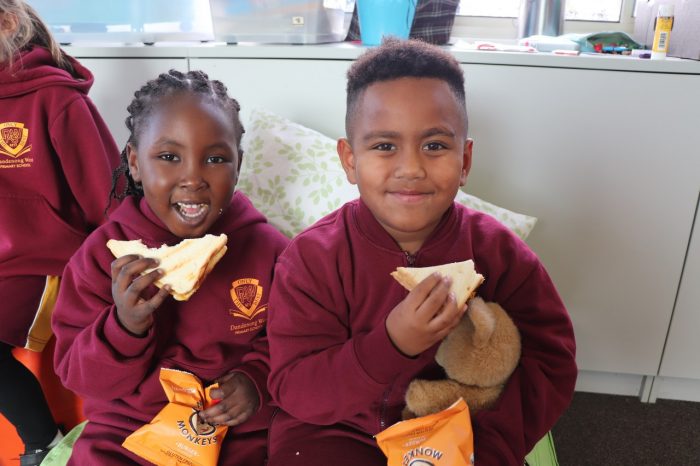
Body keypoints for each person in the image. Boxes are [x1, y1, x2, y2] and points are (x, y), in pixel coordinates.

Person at [266, 38, 577, 466]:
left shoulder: (500, 253)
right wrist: (392, 344)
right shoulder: (311, 260)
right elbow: (295, 388)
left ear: (465, 160)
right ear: (350, 159)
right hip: (332, 433)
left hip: (460, 430)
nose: (411, 168)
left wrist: (490, 446)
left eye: (434, 146)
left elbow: (550, 362)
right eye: (384, 146)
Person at [51, 69, 289, 465]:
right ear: (135, 163)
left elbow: (293, 343)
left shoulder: (269, 251)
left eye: (215, 158)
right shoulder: (102, 257)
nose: (192, 178)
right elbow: (79, 377)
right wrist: (124, 326)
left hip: (235, 433)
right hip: (128, 429)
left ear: (238, 166)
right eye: (168, 157)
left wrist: (255, 382)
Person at [0, 1, 120, 464]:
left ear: (7, 23)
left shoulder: (58, 99)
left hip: (41, 264)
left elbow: (108, 194)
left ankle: (43, 444)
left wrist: (122, 267)